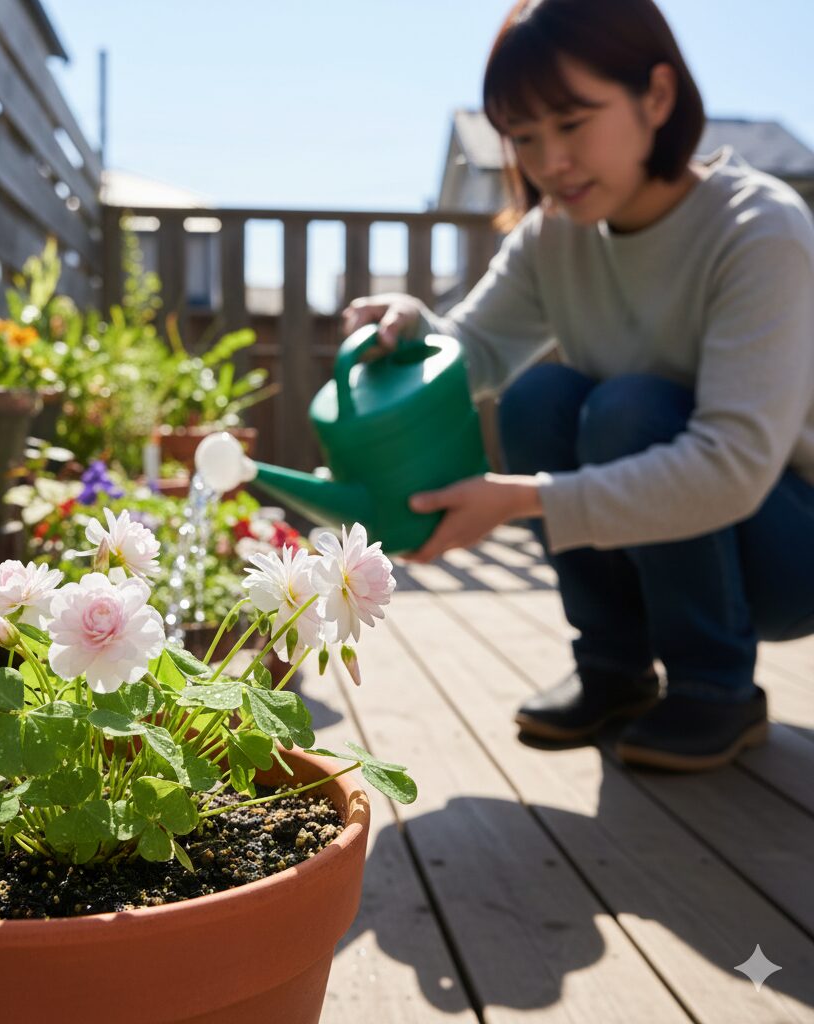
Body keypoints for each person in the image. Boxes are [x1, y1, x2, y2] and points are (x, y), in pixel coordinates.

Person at [342, 0, 814, 772]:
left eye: (572, 123)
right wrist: (413, 329)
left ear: (656, 97)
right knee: (538, 399)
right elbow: (477, 350)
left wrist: (524, 500)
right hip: (684, 520)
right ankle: (614, 669)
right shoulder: (553, 236)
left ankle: (715, 687)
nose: (549, 160)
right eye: (525, 137)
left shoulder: (758, 228)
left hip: (788, 548)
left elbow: (732, 463)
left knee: (630, 408)